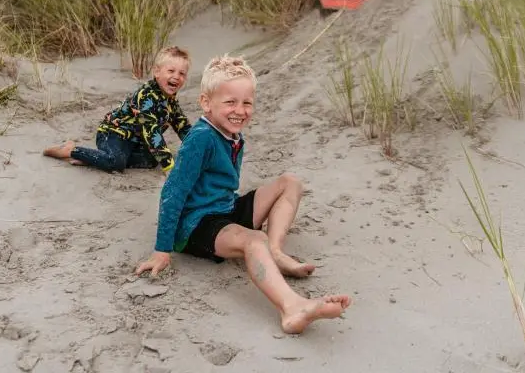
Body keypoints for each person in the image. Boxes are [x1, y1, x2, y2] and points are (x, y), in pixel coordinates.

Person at [134, 54, 351, 334]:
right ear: (206, 103)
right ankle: (292, 308)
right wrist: (162, 249)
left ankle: (275, 252)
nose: (240, 110)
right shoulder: (200, 138)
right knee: (253, 239)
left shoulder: (233, 134)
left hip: (225, 209)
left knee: (290, 182)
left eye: (247, 102)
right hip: (196, 226)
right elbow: (172, 192)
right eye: (230, 102)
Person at [43, 46, 193, 174]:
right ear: (157, 72)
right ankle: (71, 150)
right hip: (114, 133)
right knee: (117, 163)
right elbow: (151, 132)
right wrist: (168, 167)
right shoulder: (146, 96)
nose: (176, 77)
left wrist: (199, 146)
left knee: (152, 160)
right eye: (171, 71)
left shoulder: (170, 101)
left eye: (181, 73)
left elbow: (183, 127)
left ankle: (96, 159)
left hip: (134, 141)